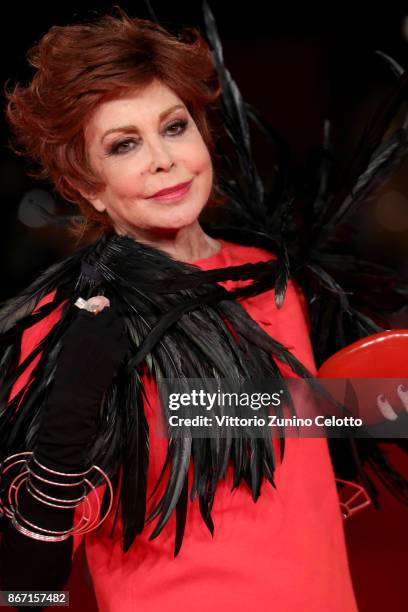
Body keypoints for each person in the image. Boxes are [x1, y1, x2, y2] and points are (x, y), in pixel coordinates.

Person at [0, 7, 406, 612]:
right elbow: (26, 590)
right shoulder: (69, 324)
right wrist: (67, 430)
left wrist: (388, 402)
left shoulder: (278, 284)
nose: (163, 158)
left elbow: (295, 420)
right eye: (123, 144)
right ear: (86, 183)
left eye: (174, 126)